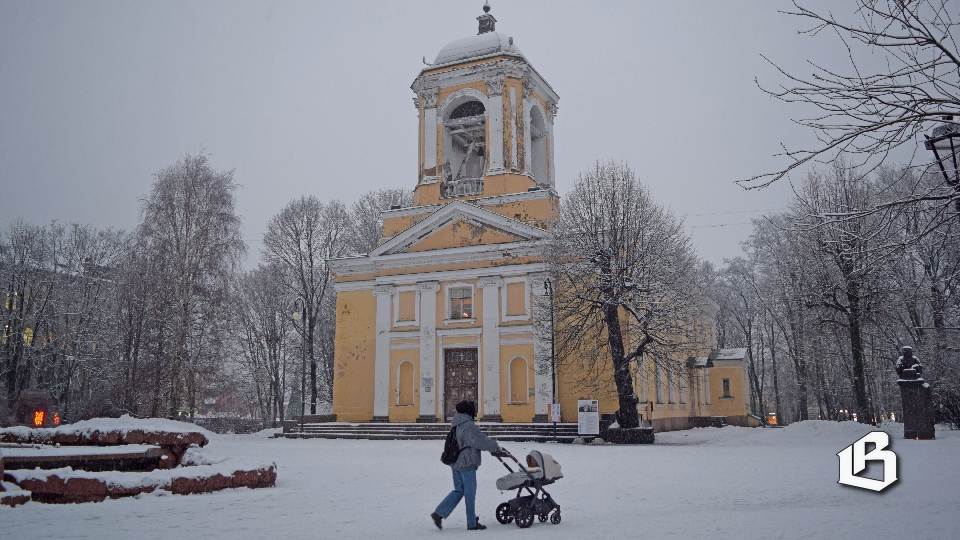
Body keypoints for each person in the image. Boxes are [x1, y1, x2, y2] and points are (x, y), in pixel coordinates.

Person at [431, 400, 506, 531]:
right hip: (466, 464)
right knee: (470, 493)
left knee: (459, 490)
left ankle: (439, 513)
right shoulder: (468, 425)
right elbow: (480, 440)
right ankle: (471, 523)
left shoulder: (456, 424)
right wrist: (496, 447)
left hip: (455, 463)